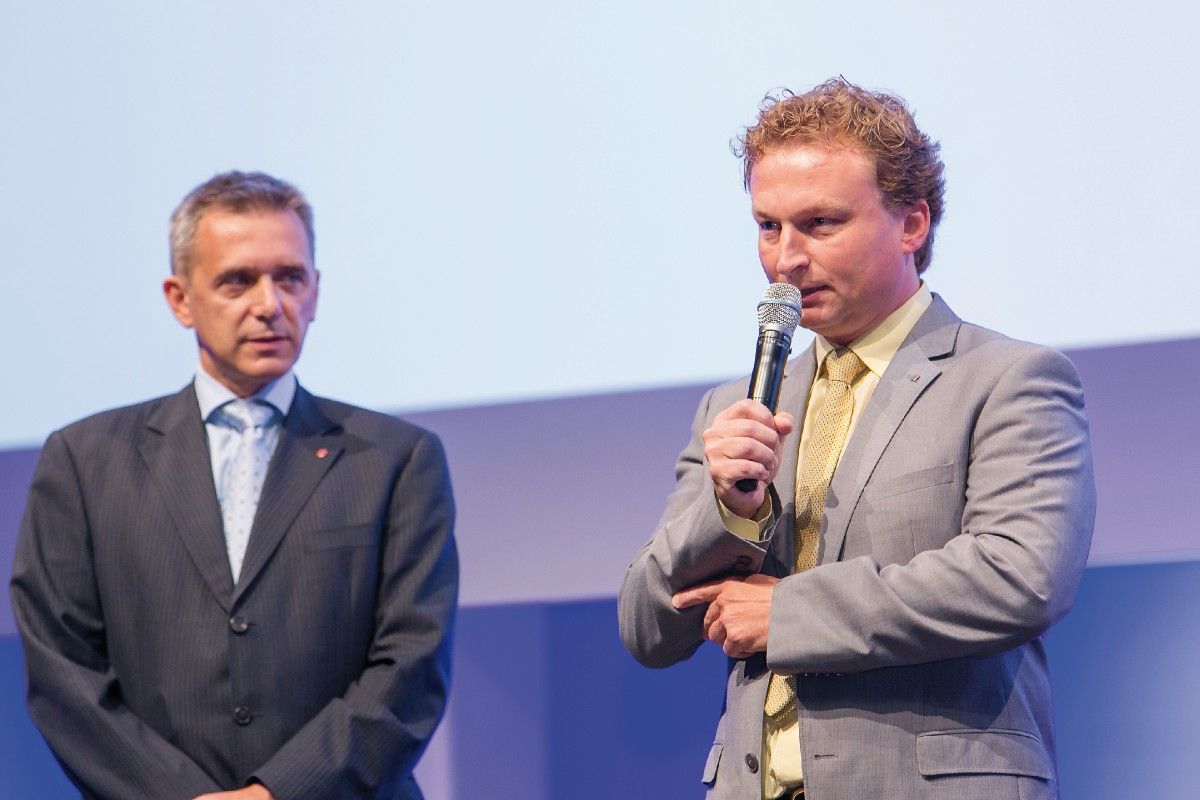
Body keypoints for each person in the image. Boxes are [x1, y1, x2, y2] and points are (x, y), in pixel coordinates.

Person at [618, 79, 1095, 800]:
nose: (785, 259)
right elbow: (647, 628)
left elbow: (1019, 577)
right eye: (768, 226)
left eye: (821, 223)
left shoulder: (1007, 378)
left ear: (912, 224)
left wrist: (790, 613)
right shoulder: (736, 405)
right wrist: (728, 513)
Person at [10, 171, 458, 800]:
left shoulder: (396, 460)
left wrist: (276, 793)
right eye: (238, 281)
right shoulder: (84, 463)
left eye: (290, 278)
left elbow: (411, 663)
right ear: (180, 299)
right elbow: (64, 673)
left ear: (316, 291)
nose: (269, 304)